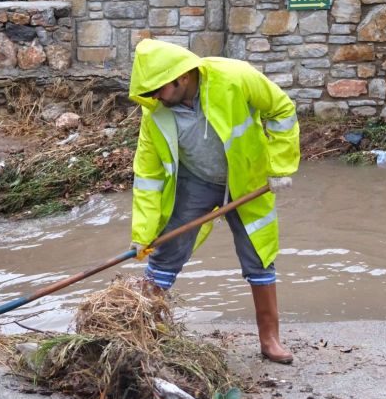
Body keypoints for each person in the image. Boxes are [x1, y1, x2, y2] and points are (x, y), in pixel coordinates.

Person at [127, 39, 300, 364]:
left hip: (247, 180)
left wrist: (279, 166)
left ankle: (270, 340)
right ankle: (144, 331)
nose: (153, 99)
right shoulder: (156, 116)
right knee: (165, 252)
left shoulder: (235, 77)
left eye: (157, 90)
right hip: (196, 182)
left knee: (258, 254)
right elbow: (147, 179)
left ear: (180, 77)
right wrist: (142, 234)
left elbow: (282, 109)